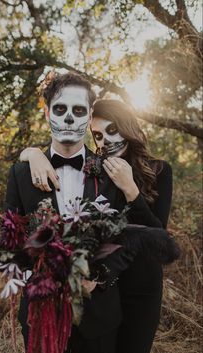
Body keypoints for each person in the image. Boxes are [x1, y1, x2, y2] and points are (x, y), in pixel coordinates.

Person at [20, 97, 173, 353]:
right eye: (99, 136)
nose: (106, 141)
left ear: (126, 125)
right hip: (105, 289)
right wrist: (33, 154)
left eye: (112, 130)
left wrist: (131, 190)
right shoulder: (97, 168)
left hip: (140, 289)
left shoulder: (158, 170)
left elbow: (159, 239)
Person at [5, 72, 133, 353]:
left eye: (78, 111)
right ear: (47, 113)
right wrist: (37, 274)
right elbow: (11, 239)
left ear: (89, 118)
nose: (69, 119)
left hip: (98, 317)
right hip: (40, 316)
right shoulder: (21, 174)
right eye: (60, 109)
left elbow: (127, 241)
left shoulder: (113, 172)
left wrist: (98, 277)